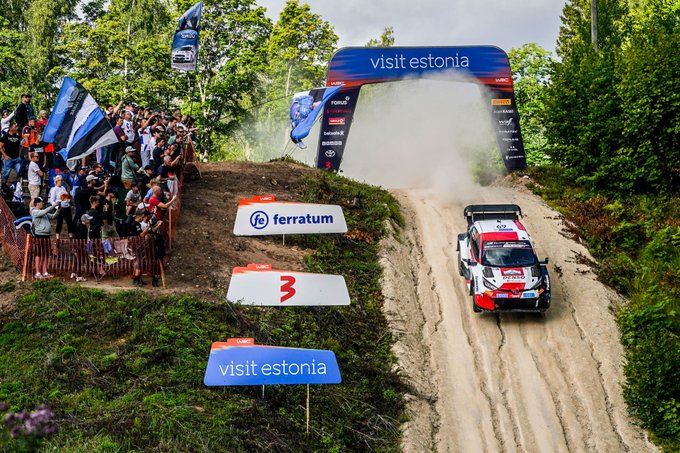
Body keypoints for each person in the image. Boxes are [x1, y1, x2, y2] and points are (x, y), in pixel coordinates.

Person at [30, 196, 60, 279]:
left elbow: (53, 216)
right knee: (38, 254)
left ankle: (45, 272)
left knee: (46, 254)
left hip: (46, 236)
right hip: (39, 236)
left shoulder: (43, 212)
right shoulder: (34, 211)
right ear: (37, 203)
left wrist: (58, 210)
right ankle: (37, 273)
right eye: (41, 202)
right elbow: (45, 211)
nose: (42, 203)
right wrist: (54, 205)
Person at [48, 174, 74, 239]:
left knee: (69, 222)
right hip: (60, 207)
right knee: (59, 222)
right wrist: (57, 207)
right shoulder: (54, 189)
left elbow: (66, 197)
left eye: (62, 180)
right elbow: (52, 200)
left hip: (66, 206)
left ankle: (70, 234)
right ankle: (57, 236)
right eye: (60, 180)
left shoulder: (63, 188)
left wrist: (68, 198)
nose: (61, 181)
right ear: (57, 181)